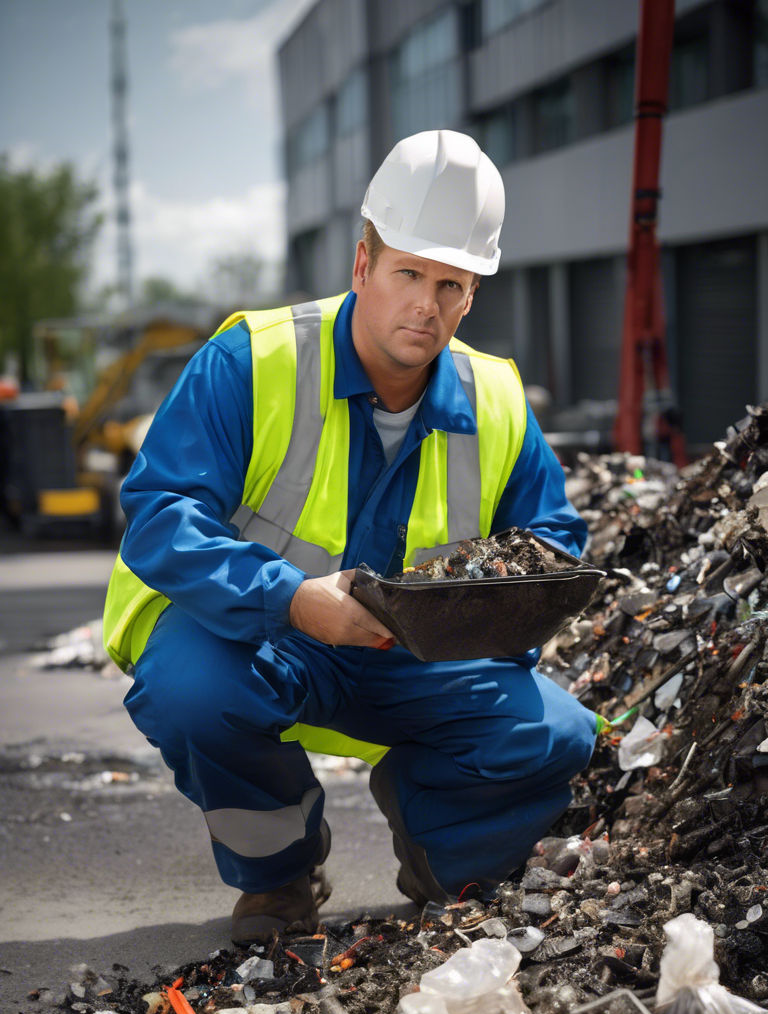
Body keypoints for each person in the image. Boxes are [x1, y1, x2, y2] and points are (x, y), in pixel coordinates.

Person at [103, 129, 597, 946]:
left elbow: (549, 537)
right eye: (408, 273)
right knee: (191, 697)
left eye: (451, 283)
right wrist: (289, 598)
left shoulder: (497, 397)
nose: (426, 305)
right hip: (261, 637)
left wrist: (492, 617)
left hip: (416, 656)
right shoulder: (253, 360)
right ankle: (280, 874)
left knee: (556, 732)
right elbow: (162, 515)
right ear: (363, 263)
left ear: (472, 293)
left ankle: (442, 852)